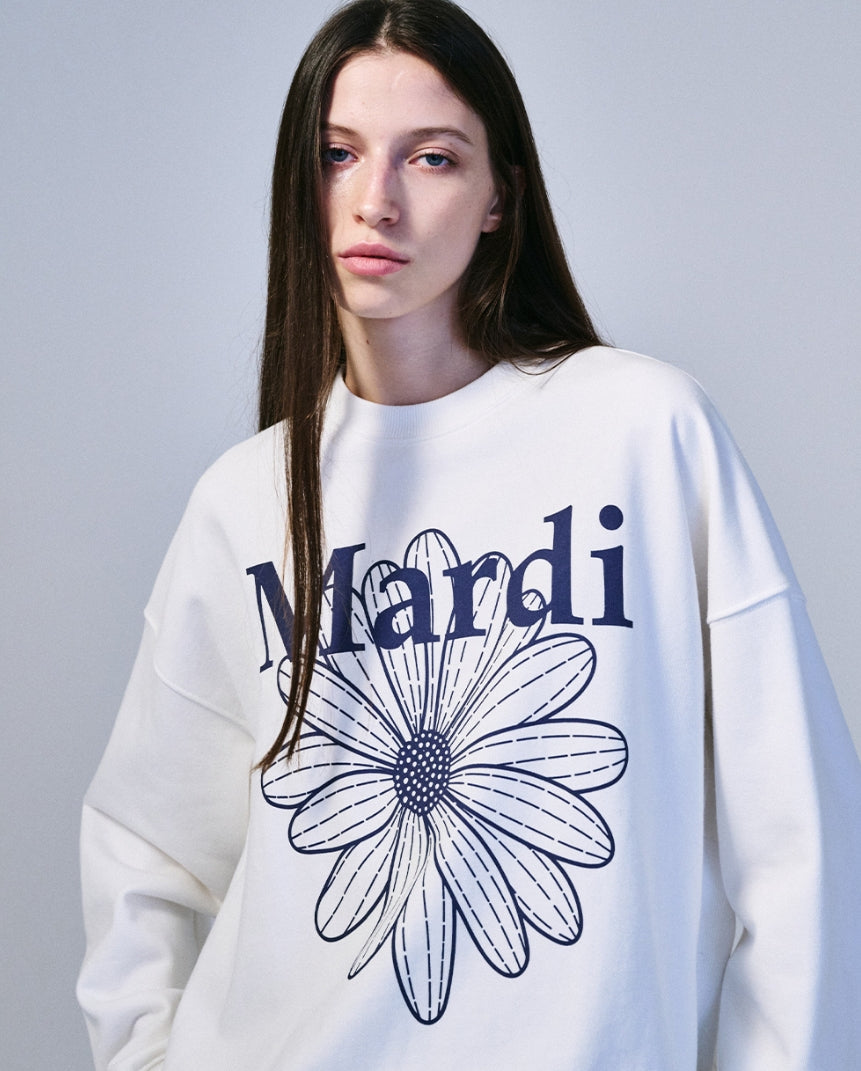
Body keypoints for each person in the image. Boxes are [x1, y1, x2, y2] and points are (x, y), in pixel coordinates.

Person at [76, 1, 861, 1068]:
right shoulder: (242, 502)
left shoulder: (642, 431)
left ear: (500, 197)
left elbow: (800, 839)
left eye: (433, 158)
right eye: (338, 154)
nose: (376, 199)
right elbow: (145, 849)